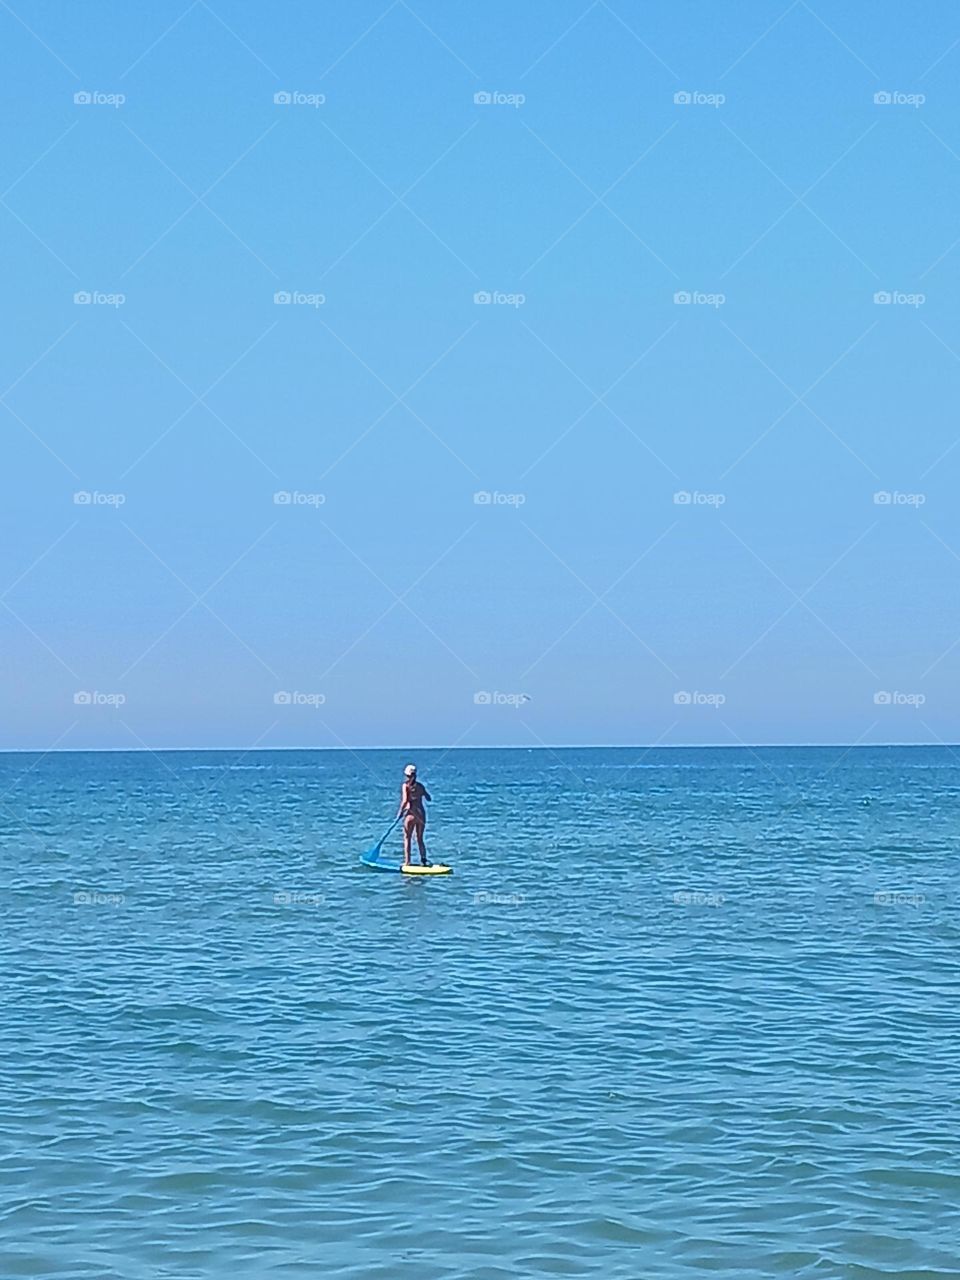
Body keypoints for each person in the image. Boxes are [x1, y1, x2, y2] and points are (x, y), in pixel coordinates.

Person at [397, 763, 431, 867]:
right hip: (421, 815)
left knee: (407, 838)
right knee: (420, 838)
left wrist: (399, 813)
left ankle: (407, 862)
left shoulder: (405, 786)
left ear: (407, 775)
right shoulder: (420, 786)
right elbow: (429, 798)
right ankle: (424, 860)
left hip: (411, 815)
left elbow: (405, 801)